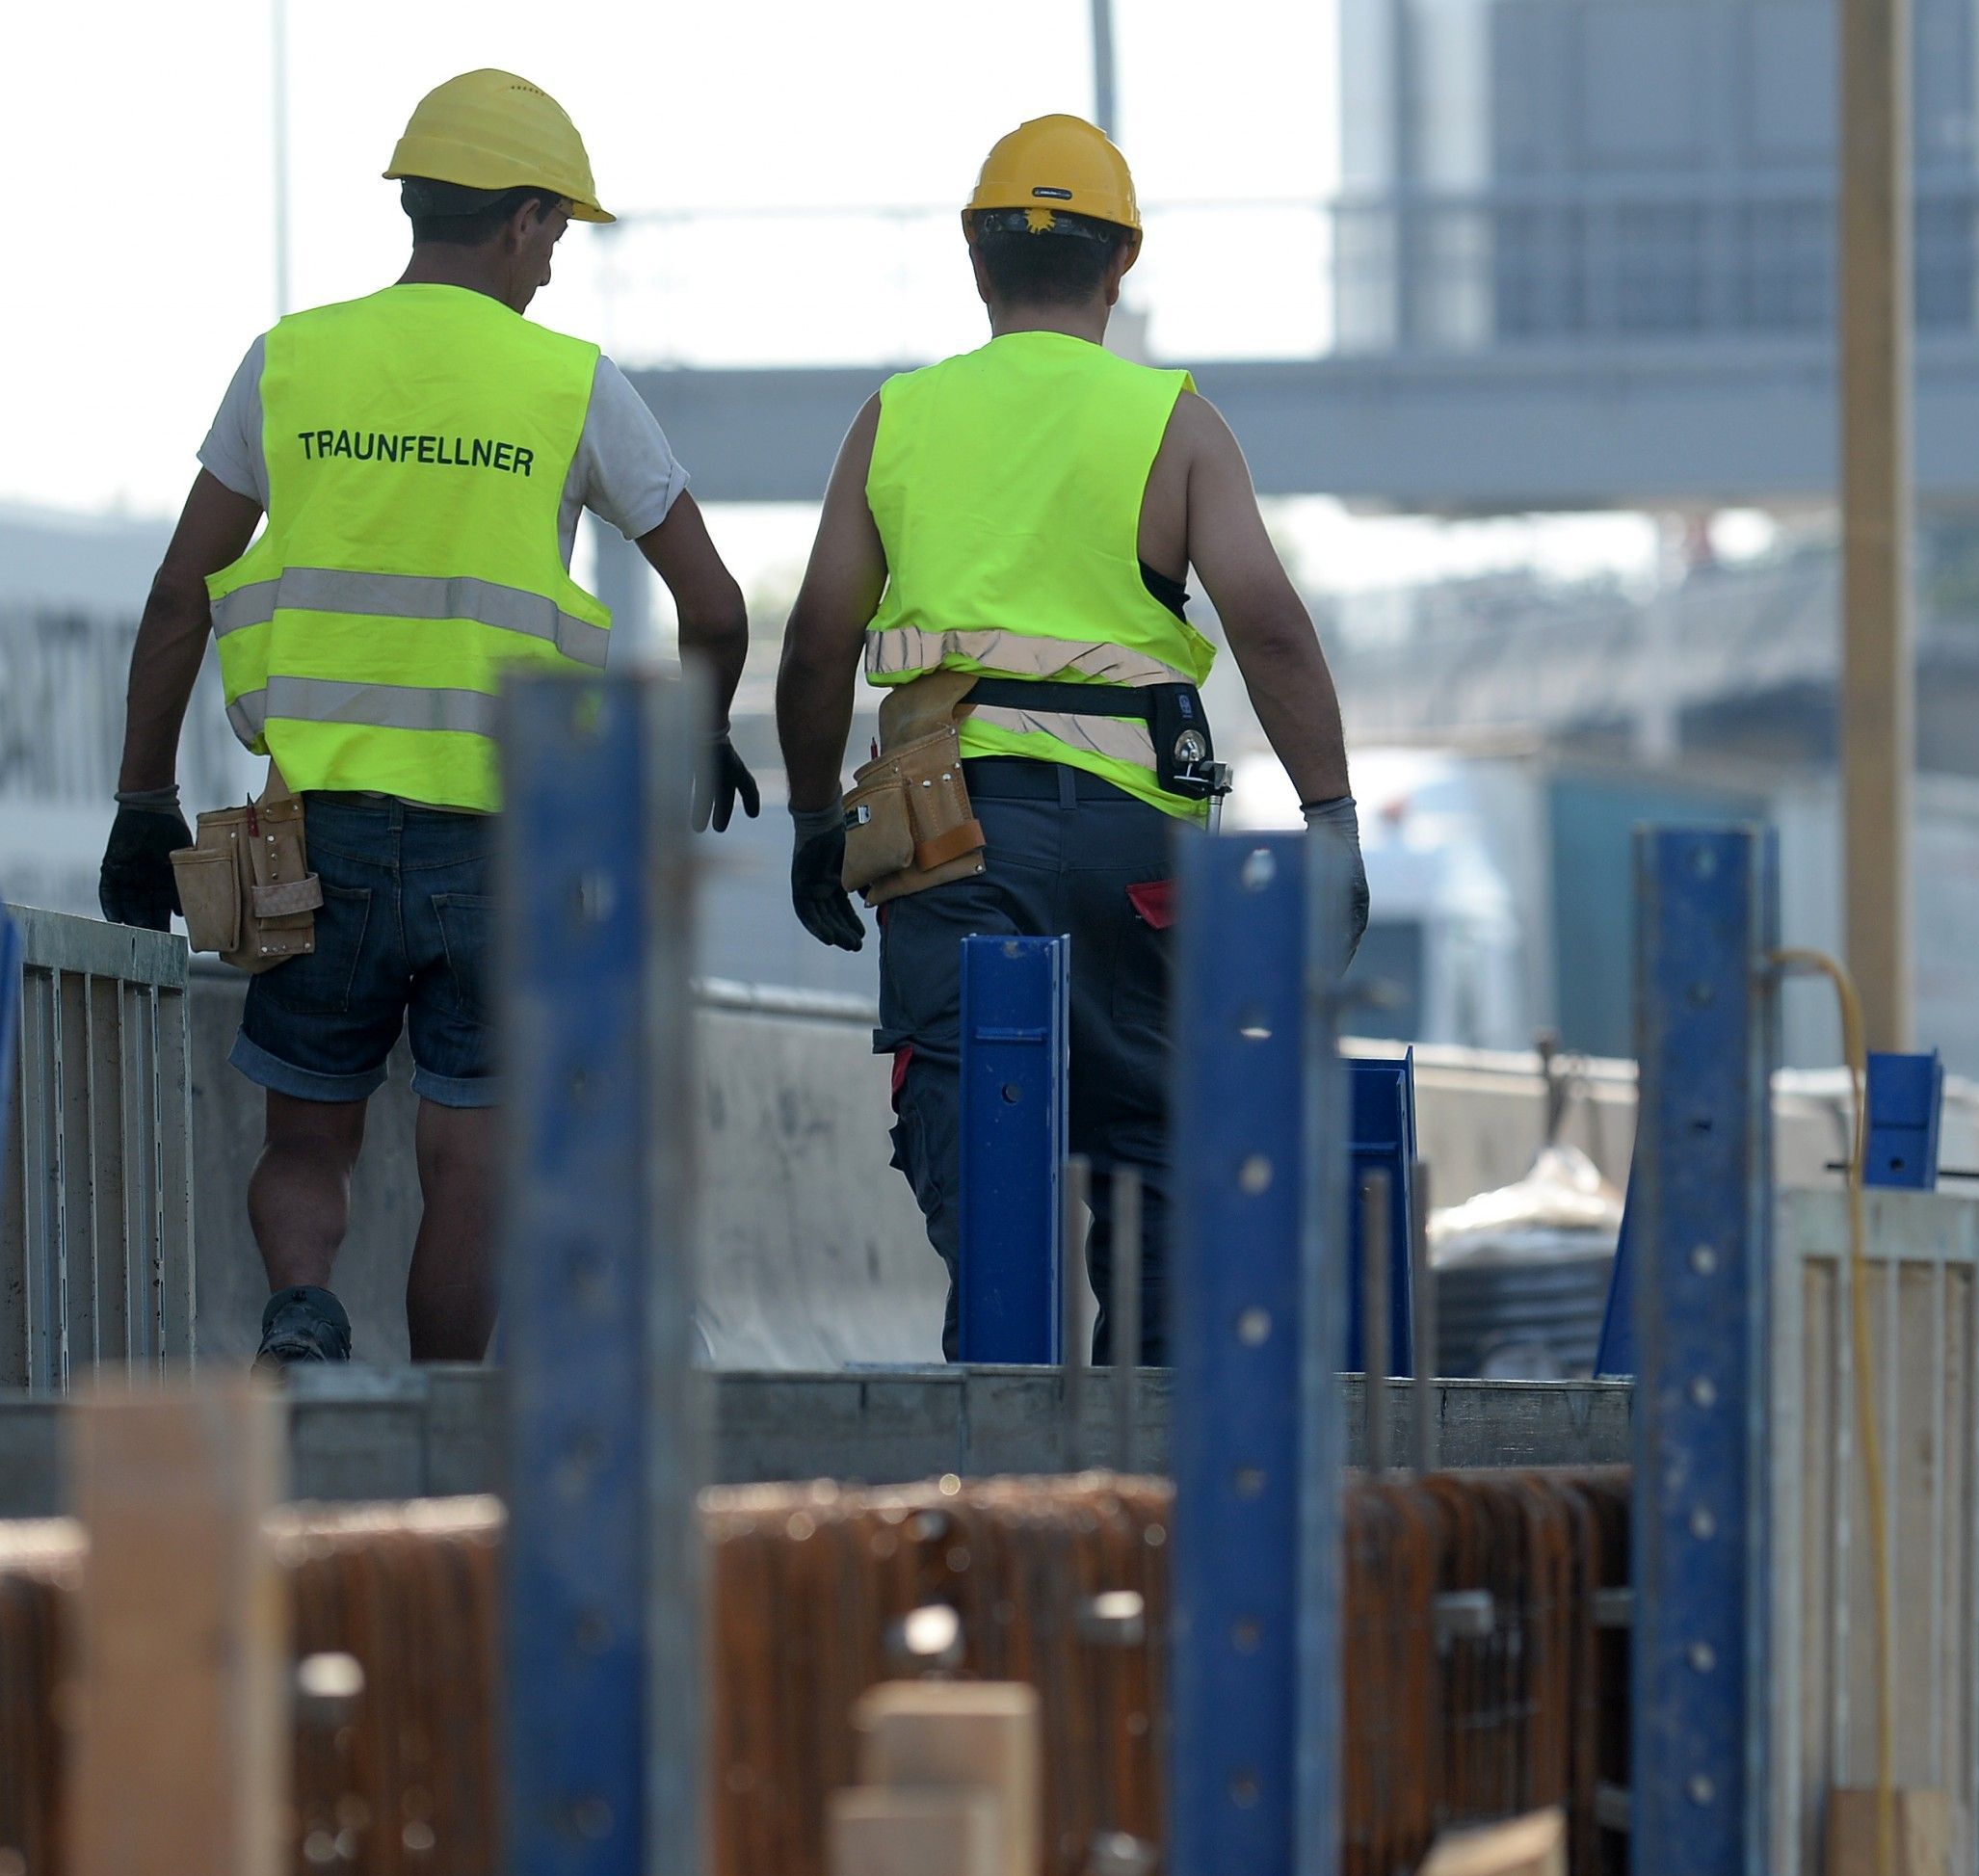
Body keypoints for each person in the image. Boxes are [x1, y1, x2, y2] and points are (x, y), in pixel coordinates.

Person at [100, 69, 756, 1367]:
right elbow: (717, 603)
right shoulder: (572, 385)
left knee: (305, 1138)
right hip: (502, 851)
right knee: (472, 1162)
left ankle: (302, 1306)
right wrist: (704, 722)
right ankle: (443, 1416)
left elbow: (182, 588)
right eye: (555, 236)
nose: (555, 270)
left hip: (312, 831)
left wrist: (142, 801)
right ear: (518, 220)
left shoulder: (288, 361)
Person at [775, 115, 1366, 1362]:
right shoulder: (1173, 422)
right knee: (1155, 1141)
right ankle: (1148, 1468)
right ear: (1121, 266)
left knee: (971, 1115)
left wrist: (817, 819)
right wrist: (1331, 819)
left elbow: (821, 642)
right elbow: (1267, 622)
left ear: (977, 263)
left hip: (948, 833)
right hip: (1132, 849)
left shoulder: (899, 420)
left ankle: (1002, 1410)